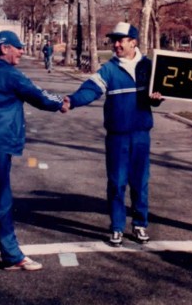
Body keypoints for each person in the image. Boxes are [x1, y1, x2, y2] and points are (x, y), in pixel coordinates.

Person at [0, 30, 67, 278]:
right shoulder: (8, 73)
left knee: (3, 202)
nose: (22, 51)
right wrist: (62, 102)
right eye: (18, 47)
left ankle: (12, 255)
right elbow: (37, 94)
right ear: (5, 49)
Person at [64, 22, 163, 246]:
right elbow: (90, 90)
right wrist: (72, 100)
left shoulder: (148, 67)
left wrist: (157, 97)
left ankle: (139, 224)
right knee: (117, 183)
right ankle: (117, 227)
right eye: (114, 40)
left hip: (140, 134)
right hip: (117, 136)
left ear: (133, 42)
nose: (116, 44)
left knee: (140, 182)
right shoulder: (108, 69)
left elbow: (157, 98)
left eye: (121, 40)